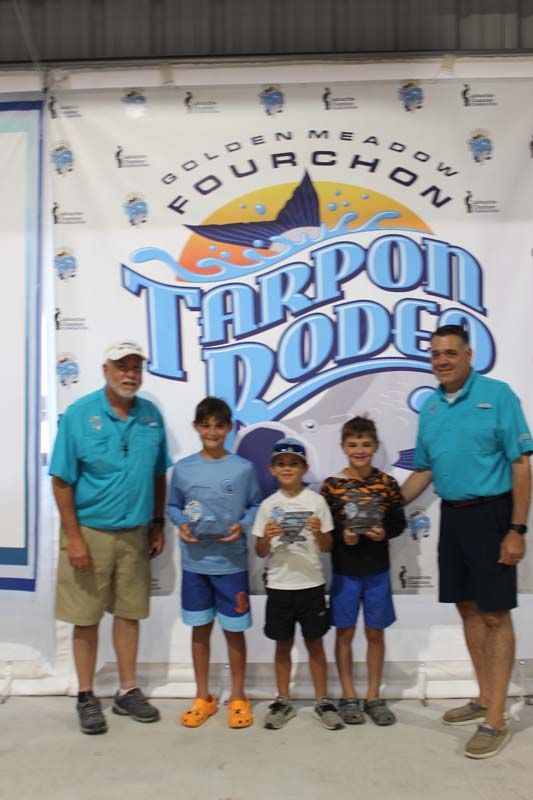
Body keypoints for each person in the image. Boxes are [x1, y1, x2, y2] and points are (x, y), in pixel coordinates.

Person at [402, 324, 532, 759]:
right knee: (469, 607)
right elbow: (423, 472)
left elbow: (520, 465)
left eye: (450, 353)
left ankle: (495, 720)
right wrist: (383, 505)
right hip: (452, 517)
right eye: (436, 354)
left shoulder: (498, 396)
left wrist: (517, 529)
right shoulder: (432, 408)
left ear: (469, 355)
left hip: (493, 516)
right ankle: (482, 698)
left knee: (495, 615)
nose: (442, 361)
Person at [49, 341, 170, 735]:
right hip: (90, 532)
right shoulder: (80, 415)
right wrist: (75, 538)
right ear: (105, 369)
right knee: (85, 619)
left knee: (129, 613)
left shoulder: (151, 416)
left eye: (136, 366)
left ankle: (127, 690)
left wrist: (156, 522)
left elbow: (157, 474)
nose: (130, 373)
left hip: (135, 534)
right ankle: (86, 695)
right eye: (122, 366)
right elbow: (61, 480)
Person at [167, 397, 261, 729]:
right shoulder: (183, 468)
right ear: (196, 427)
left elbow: (254, 506)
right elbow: (173, 507)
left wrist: (242, 525)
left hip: (231, 566)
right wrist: (181, 524)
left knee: (234, 633)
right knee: (200, 630)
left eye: (219, 425)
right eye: (205, 424)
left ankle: (238, 695)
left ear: (229, 428)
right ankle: (203, 696)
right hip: (195, 565)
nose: (212, 431)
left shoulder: (243, 468)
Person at [253, 437, 344, 731]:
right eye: (281, 463)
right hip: (279, 586)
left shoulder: (317, 502)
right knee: (282, 646)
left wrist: (319, 533)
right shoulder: (268, 505)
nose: (287, 468)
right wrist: (266, 537)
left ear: (304, 468)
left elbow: (329, 546)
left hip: (311, 585)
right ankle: (283, 700)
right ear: (272, 469)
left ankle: (322, 700)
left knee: (315, 644)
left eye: (294, 463)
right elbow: (259, 551)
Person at [321, 417, 406, 726]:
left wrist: (384, 533)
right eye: (353, 445)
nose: (360, 450)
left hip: (377, 571)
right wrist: (342, 534)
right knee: (344, 632)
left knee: (375, 633)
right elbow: (325, 530)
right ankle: (347, 694)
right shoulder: (331, 486)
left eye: (366, 444)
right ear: (343, 447)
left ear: (376, 447)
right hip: (345, 571)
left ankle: (373, 696)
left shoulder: (387, 484)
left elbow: (398, 522)